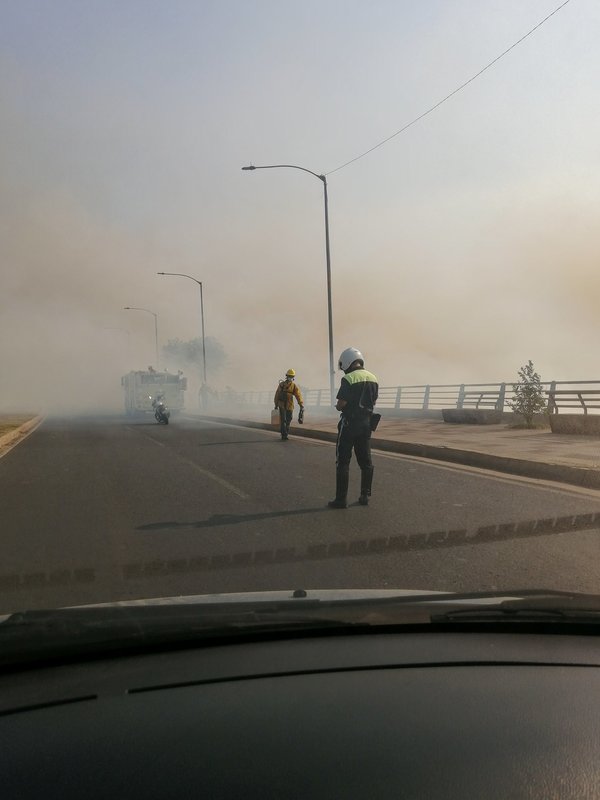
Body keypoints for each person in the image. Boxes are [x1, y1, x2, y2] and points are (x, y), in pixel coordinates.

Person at [328, 347, 379, 508]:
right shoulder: (373, 378)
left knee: (343, 462)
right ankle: (365, 495)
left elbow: (342, 403)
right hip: (366, 425)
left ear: (348, 362)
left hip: (349, 424)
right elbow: (374, 401)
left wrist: (337, 406)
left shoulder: (348, 379)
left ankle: (341, 499)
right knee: (366, 461)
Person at [274, 368, 304, 440]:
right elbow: (277, 395)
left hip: (290, 405)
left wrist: (301, 404)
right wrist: (276, 405)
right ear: (286, 376)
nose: (290, 378)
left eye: (292, 376)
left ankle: (286, 432)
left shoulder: (294, 386)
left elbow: (298, 395)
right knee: (283, 420)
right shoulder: (281, 385)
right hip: (281, 405)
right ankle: (284, 435)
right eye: (289, 376)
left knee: (289, 419)